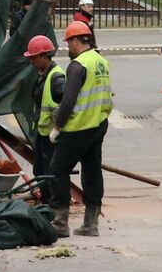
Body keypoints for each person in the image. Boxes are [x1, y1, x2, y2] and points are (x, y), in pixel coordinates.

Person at [48, 21, 113, 238]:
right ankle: (91, 224)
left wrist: (57, 126)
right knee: (93, 172)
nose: (68, 48)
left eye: (69, 43)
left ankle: (60, 223)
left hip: (77, 128)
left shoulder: (78, 65)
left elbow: (68, 102)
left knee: (58, 170)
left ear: (76, 40)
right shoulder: (101, 61)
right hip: (98, 126)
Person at [23, 34, 65, 204]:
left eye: (34, 58)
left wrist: (58, 127)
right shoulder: (43, 74)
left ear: (44, 56)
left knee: (50, 173)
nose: (31, 61)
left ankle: (52, 207)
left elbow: (68, 103)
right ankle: (46, 203)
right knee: (40, 170)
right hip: (42, 133)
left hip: (51, 136)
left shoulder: (56, 78)